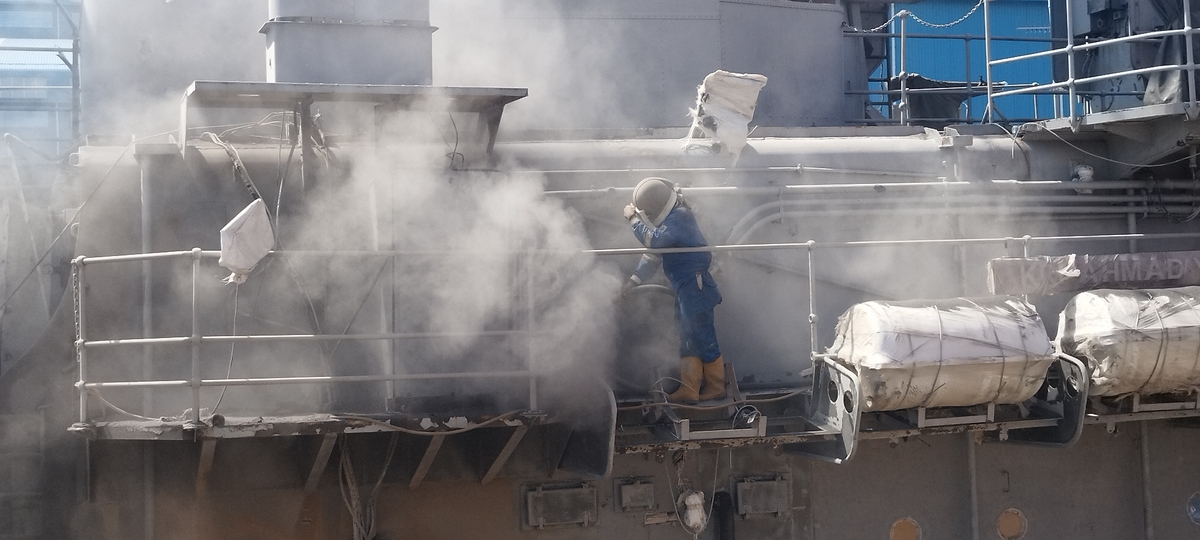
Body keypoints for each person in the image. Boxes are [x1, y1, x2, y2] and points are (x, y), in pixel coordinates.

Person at [621, 177, 725, 402]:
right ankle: (689, 388)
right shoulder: (670, 223)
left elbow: (654, 242)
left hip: (694, 285)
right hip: (684, 288)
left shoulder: (680, 217)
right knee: (687, 335)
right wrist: (632, 283)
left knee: (701, 334)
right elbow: (652, 255)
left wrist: (633, 221)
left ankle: (716, 386)